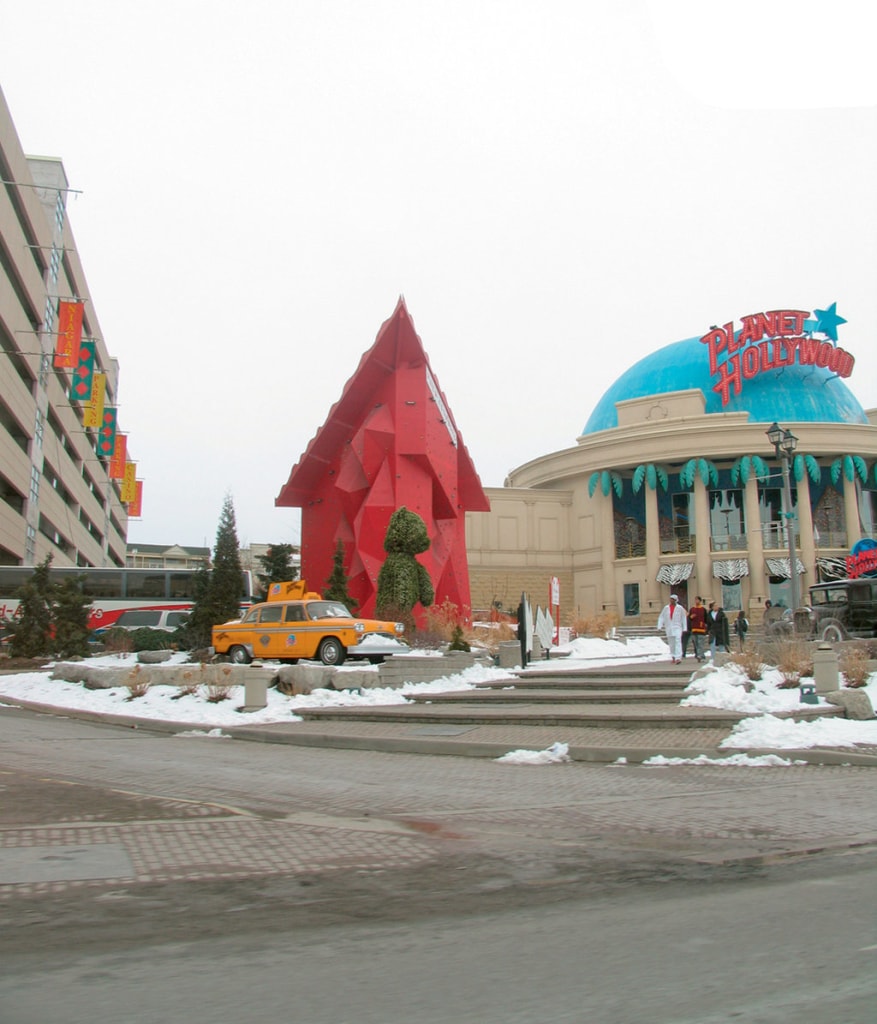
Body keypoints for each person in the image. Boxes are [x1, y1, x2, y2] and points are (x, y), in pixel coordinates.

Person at [657, 594, 687, 663]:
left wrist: (684, 627)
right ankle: (673, 656)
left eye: (673, 599)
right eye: (670, 599)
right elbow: (661, 617)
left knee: (678, 641)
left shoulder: (680, 608)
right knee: (672, 643)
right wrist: (659, 626)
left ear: (676, 600)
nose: (671, 600)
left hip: (677, 627)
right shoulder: (666, 608)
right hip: (669, 628)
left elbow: (683, 618)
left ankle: (678, 657)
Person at [687, 596, 708, 662]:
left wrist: (705, 627)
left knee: (700, 643)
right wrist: (691, 617)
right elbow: (689, 618)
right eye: (695, 600)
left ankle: (699, 656)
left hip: (701, 629)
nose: (696, 601)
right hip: (694, 629)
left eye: (697, 600)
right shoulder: (692, 609)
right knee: (696, 644)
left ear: (700, 601)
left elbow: (706, 619)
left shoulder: (703, 609)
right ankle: (701, 655)